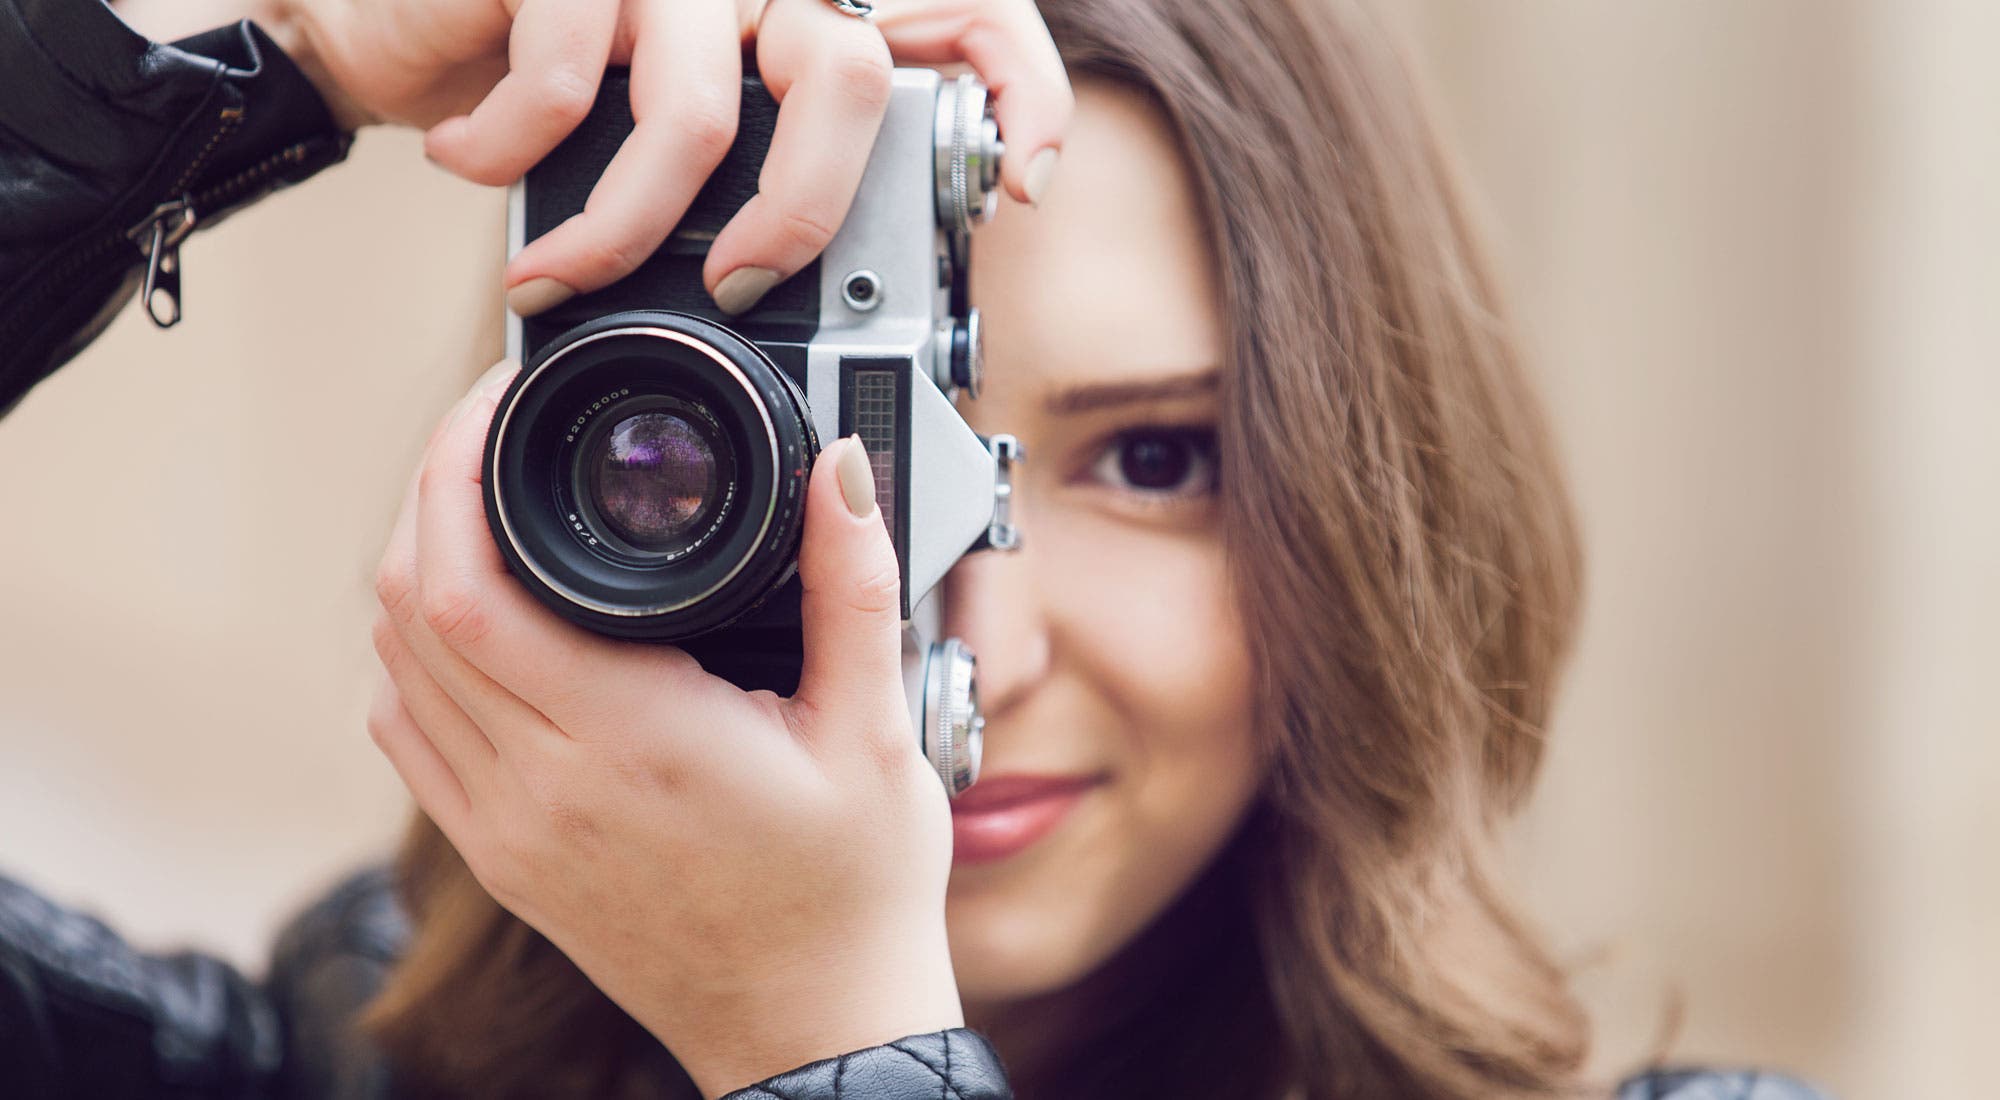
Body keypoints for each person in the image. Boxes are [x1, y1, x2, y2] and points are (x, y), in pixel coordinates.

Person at [0, 0, 1830, 1098]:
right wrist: (269, 65)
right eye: (824, 437)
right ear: (572, 467)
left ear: (1382, 507)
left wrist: (822, 1039)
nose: (983, 641)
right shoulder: (335, 1064)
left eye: (1161, 459)